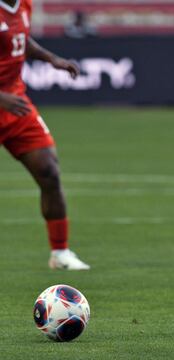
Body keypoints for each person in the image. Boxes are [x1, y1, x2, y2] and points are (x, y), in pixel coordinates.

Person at [1, 0, 90, 270]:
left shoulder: (23, 5)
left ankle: (60, 253)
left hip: (15, 104)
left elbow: (21, 39)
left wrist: (53, 59)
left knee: (49, 171)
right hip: (5, 99)